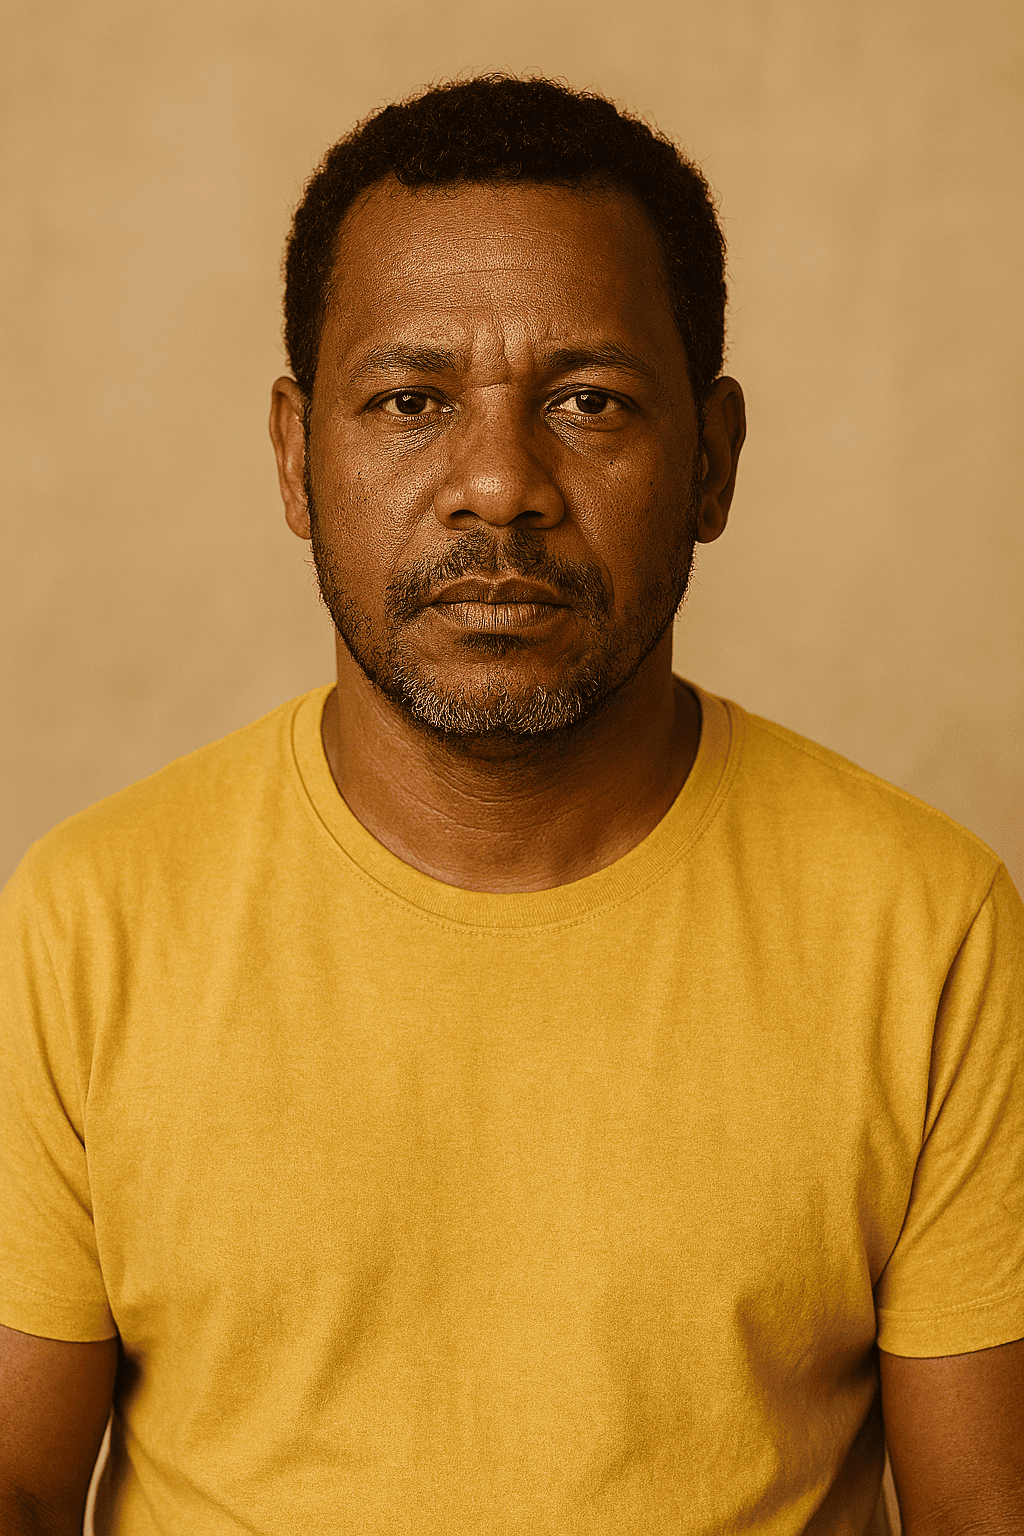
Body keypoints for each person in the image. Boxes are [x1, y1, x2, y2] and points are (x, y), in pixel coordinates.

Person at [1, 73, 1021, 1536]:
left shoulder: (928, 926)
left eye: (588, 401)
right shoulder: (85, 921)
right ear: (295, 454)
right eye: (410, 402)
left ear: (715, 461)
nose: (497, 484)